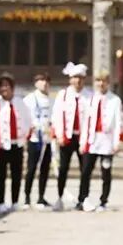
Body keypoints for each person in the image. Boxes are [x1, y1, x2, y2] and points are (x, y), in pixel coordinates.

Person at [78, 70, 122, 212]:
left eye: (104, 81)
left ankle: (103, 200)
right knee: (86, 170)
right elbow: (85, 122)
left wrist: (116, 142)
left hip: (106, 140)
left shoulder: (115, 100)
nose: (101, 84)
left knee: (106, 172)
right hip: (92, 139)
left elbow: (118, 123)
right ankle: (83, 198)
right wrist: (82, 141)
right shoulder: (90, 99)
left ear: (108, 83)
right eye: (98, 81)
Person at [0, 75, 30, 213]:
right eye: (2, 86)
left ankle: (15, 201)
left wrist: (24, 135)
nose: (5, 88)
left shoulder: (20, 102)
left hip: (17, 143)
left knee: (16, 174)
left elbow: (27, 119)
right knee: (1, 174)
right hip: (1, 144)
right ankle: (1, 202)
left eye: (7, 85)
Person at [51, 63, 89, 211]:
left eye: (80, 78)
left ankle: (83, 198)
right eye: (75, 78)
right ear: (70, 79)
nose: (77, 81)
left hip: (83, 137)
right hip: (67, 136)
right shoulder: (63, 95)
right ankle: (59, 197)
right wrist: (59, 135)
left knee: (85, 169)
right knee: (63, 168)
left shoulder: (89, 95)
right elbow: (57, 115)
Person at [23, 73, 53, 209]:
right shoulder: (29, 99)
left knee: (45, 169)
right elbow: (25, 117)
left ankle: (41, 197)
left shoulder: (52, 100)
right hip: (35, 139)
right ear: (36, 83)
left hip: (47, 139)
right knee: (31, 168)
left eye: (46, 80)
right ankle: (27, 197)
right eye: (41, 80)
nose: (44, 83)